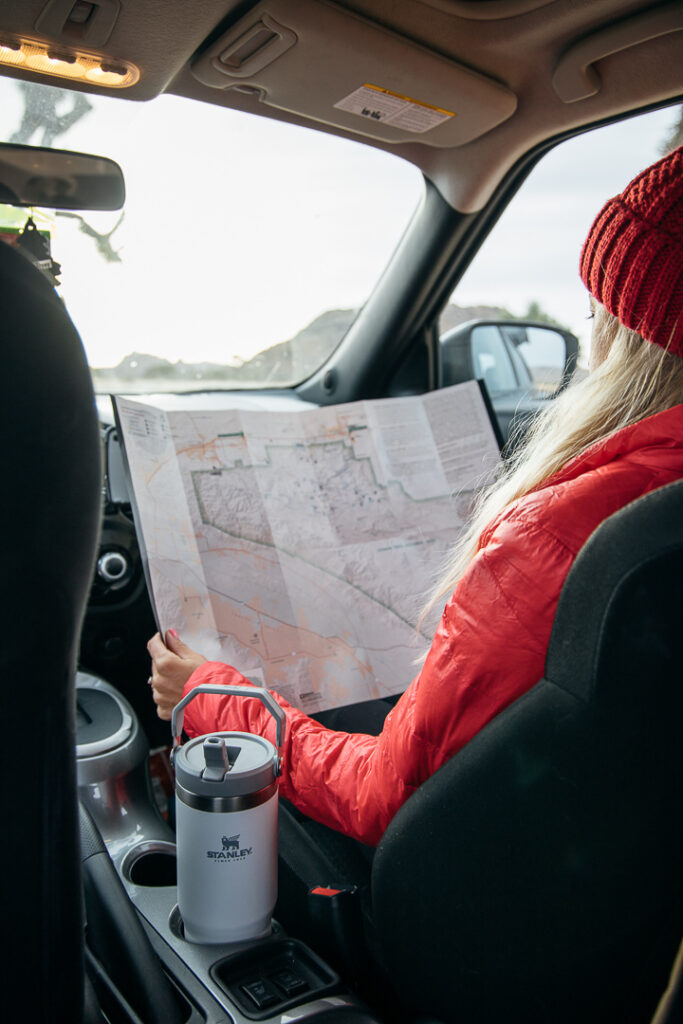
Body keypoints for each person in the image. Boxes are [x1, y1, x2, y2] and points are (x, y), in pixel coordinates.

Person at [148, 146, 683, 849]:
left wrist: (211, 696)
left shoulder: (561, 537)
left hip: (477, 915)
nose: (591, 335)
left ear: (633, 333)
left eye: (597, 314)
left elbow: (382, 801)